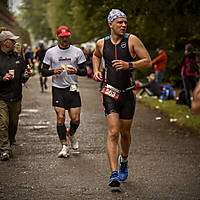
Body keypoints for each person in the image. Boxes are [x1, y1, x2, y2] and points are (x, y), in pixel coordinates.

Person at [92, 9, 152, 187]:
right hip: (109, 92)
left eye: (125, 22)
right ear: (110, 24)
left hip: (127, 94)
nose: (124, 25)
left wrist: (129, 65)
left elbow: (148, 61)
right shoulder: (101, 43)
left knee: (125, 133)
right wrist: (96, 70)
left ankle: (124, 160)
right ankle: (114, 173)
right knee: (113, 132)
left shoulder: (132, 40)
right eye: (119, 22)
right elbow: (96, 56)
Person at [42, 26, 87, 158]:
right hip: (58, 89)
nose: (64, 39)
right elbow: (43, 71)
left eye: (66, 37)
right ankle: (64, 146)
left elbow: (85, 71)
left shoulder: (77, 52)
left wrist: (77, 71)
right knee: (60, 117)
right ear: (58, 37)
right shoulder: (50, 52)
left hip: (72, 89)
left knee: (76, 119)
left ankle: (71, 134)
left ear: (70, 36)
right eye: (62, 37)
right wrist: (54, 71)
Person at [0, 31, 31, 161]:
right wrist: (2, 79)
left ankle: (10, 140)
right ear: (4, 42)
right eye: (11, 40)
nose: (14, 42)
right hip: (1, 96)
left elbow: (23, 76)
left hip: (16, 96)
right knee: (3, 123)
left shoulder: (18, 56)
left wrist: (25, 76)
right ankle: (4, 150)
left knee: (13, 123)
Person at [180, 43, 199, 109]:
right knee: (194, 90)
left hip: (186, 74)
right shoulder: (195, 56)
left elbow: (181, 63)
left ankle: (189, 105)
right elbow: (196, 62)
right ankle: (195, 104)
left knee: (187, 90)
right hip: (194, 74)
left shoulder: (186, 56)